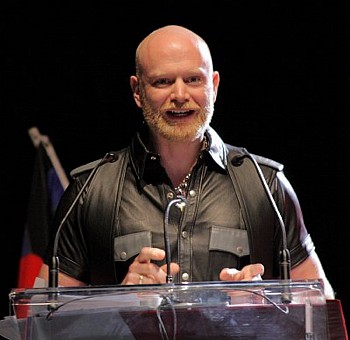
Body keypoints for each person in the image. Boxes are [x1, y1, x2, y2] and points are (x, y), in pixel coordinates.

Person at [39, 24, 334, 299]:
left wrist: (263, 306)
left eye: (193, 79)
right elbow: (41, 319)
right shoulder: (90, 190)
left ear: (214, 85)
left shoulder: (265, 185)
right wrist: (119, 300)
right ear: (137, 91)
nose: (179, 95)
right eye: (163, 81)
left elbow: (320, 304)